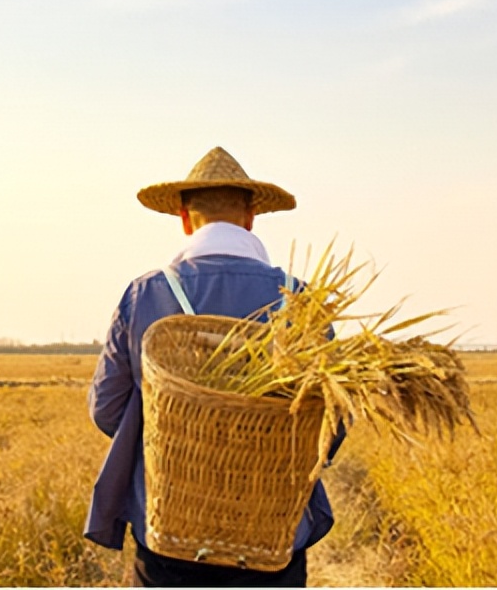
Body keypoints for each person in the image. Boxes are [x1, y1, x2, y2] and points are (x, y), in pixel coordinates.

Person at [84, 146, 340, 588]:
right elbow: (332, 422)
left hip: (170, 536)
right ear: (251, 217)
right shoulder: (299, 303)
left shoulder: (145, 295)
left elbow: (106, 410)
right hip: (272, 540)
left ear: (185, 219)